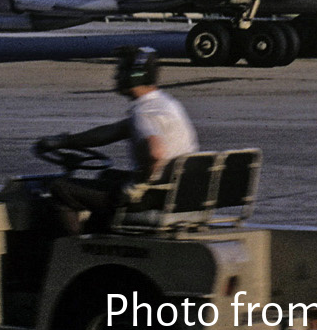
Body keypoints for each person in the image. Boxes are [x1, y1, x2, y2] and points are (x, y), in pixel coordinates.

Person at [33, 46, 198, 233]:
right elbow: (111, 132)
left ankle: (76, 248)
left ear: (134, 75)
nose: (116, 77)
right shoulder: (165, 104)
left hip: (150, 197)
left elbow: (155, 153)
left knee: (60, 189)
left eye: (121, 71)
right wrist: (65, 141)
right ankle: (99, 234)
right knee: (107, 176)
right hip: (172, 190)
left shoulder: (143, 113)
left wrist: (136, 187)